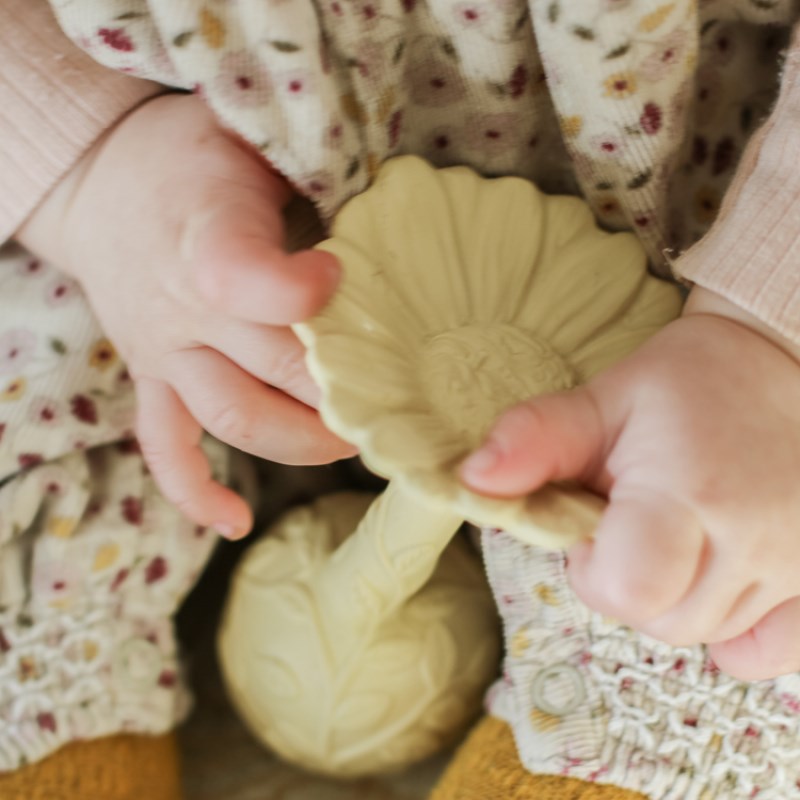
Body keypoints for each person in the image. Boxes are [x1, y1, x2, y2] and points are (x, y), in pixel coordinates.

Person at [2, 0, 800, 797]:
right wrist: (79, 162)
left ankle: (629, 723)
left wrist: (769, 334)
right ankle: (41, 649)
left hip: (697, 254)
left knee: (699, 586)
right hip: (163, 204)